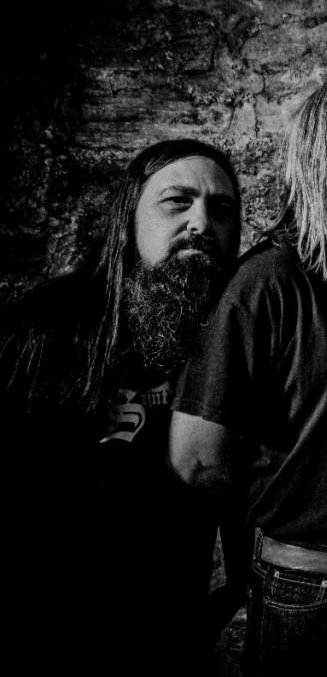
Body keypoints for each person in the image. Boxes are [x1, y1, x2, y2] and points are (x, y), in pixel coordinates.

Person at [168, 76, 327, 676]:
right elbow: (195, 457)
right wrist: (282, 530)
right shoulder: (271, 280)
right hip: (305, 593)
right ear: (312, 157)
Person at [0, 139, 243, 675]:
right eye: (177, 202)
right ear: (129, 220)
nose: (201, 223)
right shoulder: (41, 332)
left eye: (222, 209)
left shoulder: (235, 346)